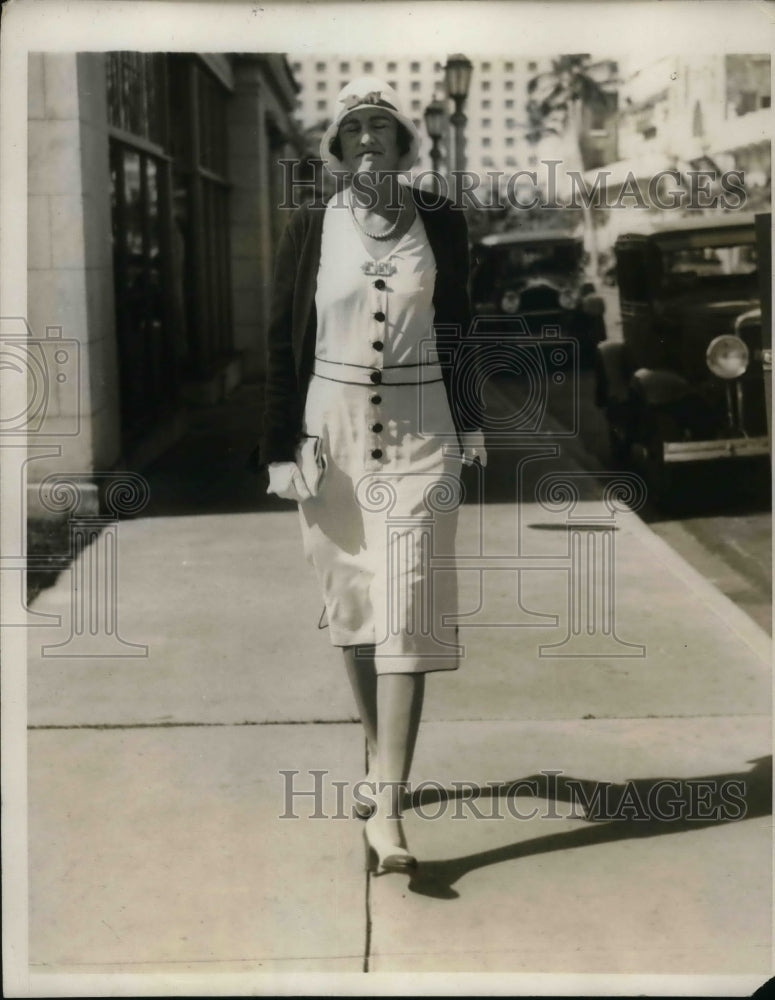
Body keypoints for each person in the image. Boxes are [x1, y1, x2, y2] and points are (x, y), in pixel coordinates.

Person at [258, 77, 486, 875]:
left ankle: (387, 806)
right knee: (354, 607)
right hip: (334, 433)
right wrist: (279, 445)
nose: (366, 140)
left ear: (402, 143)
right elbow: (280, 337)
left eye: (379, 128)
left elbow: (457, 325)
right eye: (352, 128)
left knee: (409, 608)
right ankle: (374, 751)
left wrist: (471, 418)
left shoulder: (443, 224)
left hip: (423, 434)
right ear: (335, 144)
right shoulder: (309, 227)